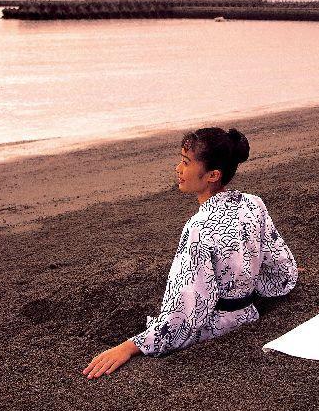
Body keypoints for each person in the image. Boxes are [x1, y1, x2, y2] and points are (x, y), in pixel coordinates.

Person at [82, 127, 297, 379]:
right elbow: (280, 265)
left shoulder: (199, 227)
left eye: (186, 162)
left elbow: (186, 310)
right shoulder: (252, 203)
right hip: (250, 312)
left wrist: (131, 346)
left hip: (220, 326)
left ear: (213, 175)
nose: (178, 169)